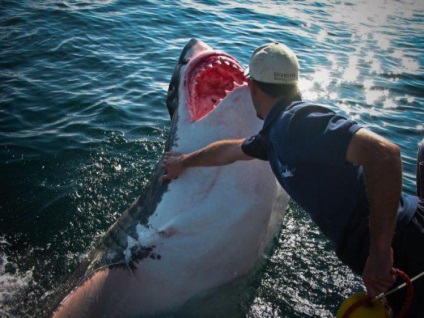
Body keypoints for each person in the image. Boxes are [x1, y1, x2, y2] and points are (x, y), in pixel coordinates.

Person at [160, 42, 424, 316]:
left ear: (252, 86)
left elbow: (385, 154)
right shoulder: (276, 134)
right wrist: (184, 161)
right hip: (385, 245)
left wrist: (380, 253)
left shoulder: (297, 122)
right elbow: (231, 150)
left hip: (405, 242)